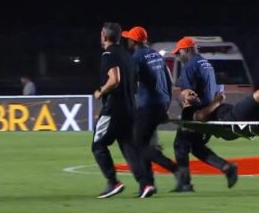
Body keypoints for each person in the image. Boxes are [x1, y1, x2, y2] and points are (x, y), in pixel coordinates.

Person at [171, 37, 237, 192]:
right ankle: (227, 167)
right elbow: (219, 88)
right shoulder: (207, 64)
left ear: (186, 50)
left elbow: (188, 96)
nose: (177, 56)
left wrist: (180, 99)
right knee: (196, 147)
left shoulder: (189, 66)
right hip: (210, 111)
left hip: (196, 113)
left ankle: (185, 183)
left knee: (180, 145)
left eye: (179, 52)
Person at [121, 26, 180, 197]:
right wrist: (166, 106)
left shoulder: (136, 58)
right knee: (143, 142)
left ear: (133, 41)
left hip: (148, 106)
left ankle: (173, 167)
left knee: (138, 145)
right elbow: (169, 81)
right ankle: (148, 186)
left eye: (129, 39)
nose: (127, 41)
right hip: (161, 104)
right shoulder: (157, 55)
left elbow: (131, 84)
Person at [91, 22, 145, 199]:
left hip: (114, 108)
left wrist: (101, 92)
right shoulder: (127, 55)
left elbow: (114, 80)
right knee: (128, 146)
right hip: (130, 107)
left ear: (105, 36)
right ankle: (145, 183)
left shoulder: (109, 54)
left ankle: (112, 182)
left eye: (101, 34)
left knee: (98, 145)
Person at [179, 89, 259, 122]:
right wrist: (217, 101)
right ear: (184, 102)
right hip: (228, 118)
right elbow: (200, 117)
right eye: (190, 94)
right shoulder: (188, 111)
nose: (195, 93)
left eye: (194, 92)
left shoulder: (202, 104)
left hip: (236, 114)